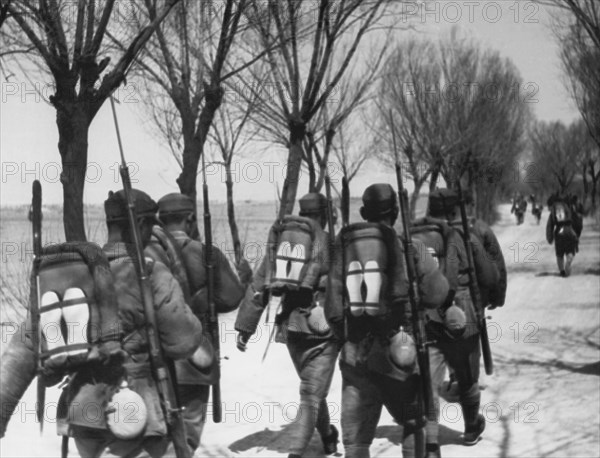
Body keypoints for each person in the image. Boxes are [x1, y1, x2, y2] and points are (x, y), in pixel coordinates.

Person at [0, 189, 204, 457]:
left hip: (83, 416)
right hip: (137, 416)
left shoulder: (72, 275)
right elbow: (184, 342)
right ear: (140, 225)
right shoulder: (151, 273)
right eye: (150, 227)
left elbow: (23, 349)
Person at [325, 184, 450, 458]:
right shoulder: (411, 247)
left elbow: (332, 311)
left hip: (355, 355)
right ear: (395, 212)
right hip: (400, 354)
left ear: (362, 212)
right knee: (413, 423)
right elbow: (437, 294)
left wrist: (349, 334)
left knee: (356, 441)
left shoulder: (342, 247)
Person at [235, 193, 340, 458]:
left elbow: (259, 285)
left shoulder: (281, 245)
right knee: (311, 394)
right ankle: (296, 452)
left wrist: (245, 328)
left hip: (292, 330)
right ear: (325, 215)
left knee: (313, 391)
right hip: (324, 331)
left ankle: (328, 436)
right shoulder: (331, 243)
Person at [152, 192, 250, 453]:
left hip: (154, 356)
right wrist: (243, 278)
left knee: (156, 432)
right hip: (196, 356)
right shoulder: (206, 253)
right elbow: (231, 298)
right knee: (188, 433)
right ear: (191, 219)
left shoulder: (146, 254)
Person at [414, 188, 506, 457]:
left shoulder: (414, 236)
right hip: (462, 316)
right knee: (467, 376)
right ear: (455, 210)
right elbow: (490, 276)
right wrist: (490, 297)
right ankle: (470, 428)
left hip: (426, 318)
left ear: (429, 209)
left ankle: (431, 443)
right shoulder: (465, 236)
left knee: (429, 382)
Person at [547, 194, 579, 277]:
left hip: (559, 231)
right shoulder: (566, 206)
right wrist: (575, 234)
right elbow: (575, 220)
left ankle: (562, 271)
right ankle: (569, 260)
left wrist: (550, 238)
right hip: (569, 229)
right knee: (570, 250)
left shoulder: (553, 209)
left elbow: (550, 225)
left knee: (559, 254)